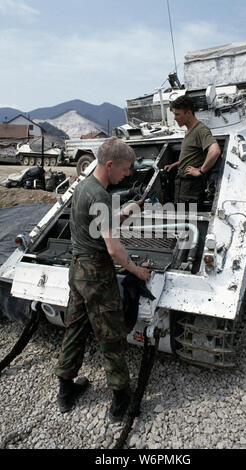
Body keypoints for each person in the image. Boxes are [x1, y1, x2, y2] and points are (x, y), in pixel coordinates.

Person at [55, 137, 150, 421]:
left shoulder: (83, 187)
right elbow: (113, 248)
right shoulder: (100, 195)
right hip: (97, 274)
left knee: (75, 328)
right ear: (109, 165)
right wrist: (136, 270)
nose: (128, 174)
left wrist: (129, 210)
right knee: (111, 335)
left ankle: (65, 391)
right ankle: (120, 402)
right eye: (124, 169)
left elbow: (98, 223)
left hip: (78, 272)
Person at [164, 94, 221, 209]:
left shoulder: (200, 130)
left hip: (190, 189)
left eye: (177, 114)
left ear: (189, 113)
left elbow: (215, 151)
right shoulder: (189, 130)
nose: (174, 118)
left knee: (187, 221)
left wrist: (200, 171)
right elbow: (193, 156)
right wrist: (175, 164)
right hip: (182, 186)